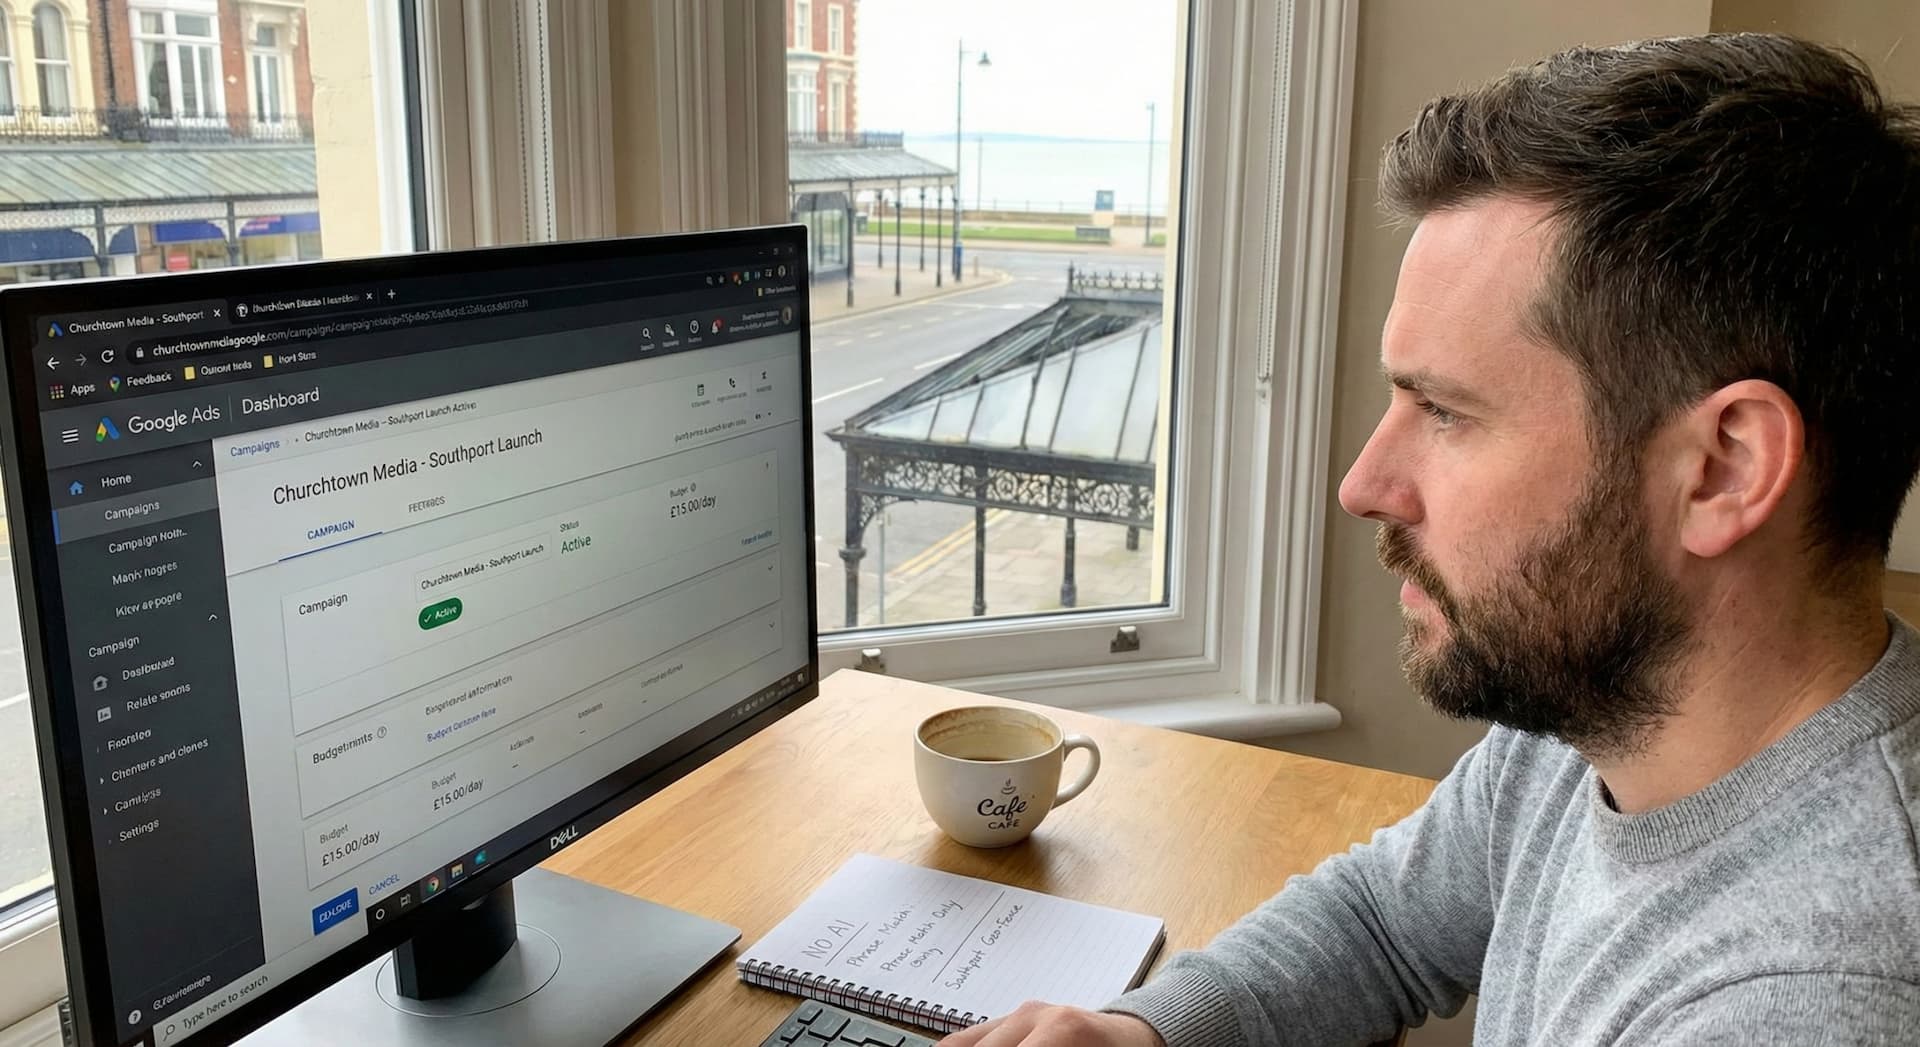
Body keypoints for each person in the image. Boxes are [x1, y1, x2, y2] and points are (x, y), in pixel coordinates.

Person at [940, 32, 1920, 1047]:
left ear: (1722, 469)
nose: (1364, 486)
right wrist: (1143, 1034)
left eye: (1446, 411)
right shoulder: (1599, 709)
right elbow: (1382, 924)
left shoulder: (1819, 999)